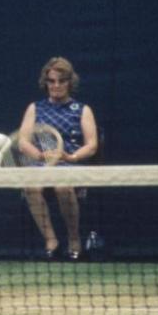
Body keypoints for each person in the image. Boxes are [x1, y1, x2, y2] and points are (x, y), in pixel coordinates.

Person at [17, 56, 98, 260]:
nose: (56, 85)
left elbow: (92, 145)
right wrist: (39, 155)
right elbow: (23, 142)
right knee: (30, 187)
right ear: (46, 82)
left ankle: (73, 239)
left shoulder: (82, 110)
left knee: (63, 186)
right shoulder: (35, 108)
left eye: (61, 81)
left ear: (70, 82)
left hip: (69, 164)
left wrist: (71, 157)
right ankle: (51, 241)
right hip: (41, 165)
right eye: (52, 81)